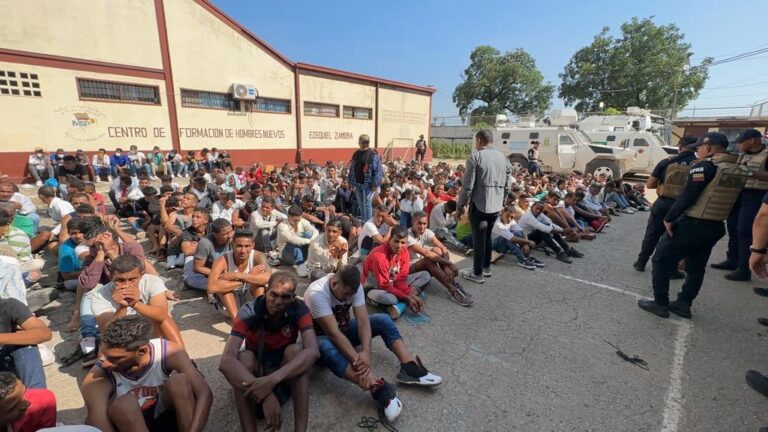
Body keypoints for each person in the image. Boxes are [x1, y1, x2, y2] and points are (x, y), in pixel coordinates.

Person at [304, 266, 442, 422]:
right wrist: (360, 362)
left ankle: (409, 367)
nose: (349, 297)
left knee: (382, 320)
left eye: (352, 294)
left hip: (343, 331)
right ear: (335, 284)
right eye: (346, 294)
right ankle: (376, 386)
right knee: (323, 345)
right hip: (321, 342)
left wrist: (366, 352)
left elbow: (363, 320)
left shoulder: (353, 287)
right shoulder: (317, 293)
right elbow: (333, 334)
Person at [638, 132, 746, 319]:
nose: (698, 151)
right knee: (696, 266)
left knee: (661, 259)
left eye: (700, 147)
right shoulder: (737, 169)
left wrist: (670, 218)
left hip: (694, 222)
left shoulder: (706, 166)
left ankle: (660, 303)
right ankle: (684, 303)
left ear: (709, 147)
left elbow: (688, 195)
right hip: (715, 225)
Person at [219, 272, 319, 432]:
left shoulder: (300, 309)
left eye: (285, 297)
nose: (278, 302)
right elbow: (226, 361)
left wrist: (272, 380)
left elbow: (313, 351)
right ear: (266, 291)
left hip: (281, 373)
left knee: (295, 352)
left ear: (294, 297)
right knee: (244, 358)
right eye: (274, 295)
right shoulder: (249, 311)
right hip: (255, 376)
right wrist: (266, 395)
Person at [80, 316, 212, 432]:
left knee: (180, 382)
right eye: (105, 355)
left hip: (164, 416)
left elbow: (204, 393)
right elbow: (100, 423)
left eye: (115, 358)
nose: (105, 363)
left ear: (142, 351)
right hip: (127, 424)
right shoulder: (97, 377)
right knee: (125, 405)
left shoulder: (167, 351)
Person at [633, 136, 698, 273]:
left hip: (663, 202)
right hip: (684, 207)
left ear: (680, 147)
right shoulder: (699, 165)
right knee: (676, 238)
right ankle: (671, 269)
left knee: (652, 234)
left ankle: (641, 262)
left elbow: (650, 185)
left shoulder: (667, 162)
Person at [87, 255, 183, 347]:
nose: (127, 285)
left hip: (150, 329)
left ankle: (181, 354)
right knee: (104, 347)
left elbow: (161, 315)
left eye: (132, 279)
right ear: (111, 276)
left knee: (165, 317)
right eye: (120, 280)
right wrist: (122, 308)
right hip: (122, 336)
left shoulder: (152, 282)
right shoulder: (99, 295)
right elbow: (106, 331)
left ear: (141, 275)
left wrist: (135, 304)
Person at [455, 129, 512, 284]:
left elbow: (467, 186)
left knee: (479, 238)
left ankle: (477, 273)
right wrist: (502, 202)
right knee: (487, 236)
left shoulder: (476, 157)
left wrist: (460, 207)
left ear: (479, 140)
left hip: (479, 205)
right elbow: (508, 185)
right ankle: (486, 268)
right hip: (496, 206)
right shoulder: (504, 158)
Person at [710, 129, 768, 282]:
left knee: (745, 231)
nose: (739, 146)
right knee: (734, 228)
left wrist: (750, 174)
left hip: (756, 195)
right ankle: (732, 260)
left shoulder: (766, 155)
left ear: (752, 140)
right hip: (739, 194)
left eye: (741, 142)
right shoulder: (743, 155)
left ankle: (744, 268)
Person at [362, 225, 431, 319]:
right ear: (390, 239)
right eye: (396, 241)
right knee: (391, 299)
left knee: (425, 275)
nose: (399, 246)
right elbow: (384, 285)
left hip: (393, 282)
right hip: (374, 286)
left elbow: (401, 280)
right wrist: (407, 298)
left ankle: (403, 301)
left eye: (403, 242)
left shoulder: (404, 252)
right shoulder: (380, 257)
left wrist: (411, 295)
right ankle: (395, 302)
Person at [407, 211, 472, 306]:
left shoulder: (426, 232)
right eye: (419, 223)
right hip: (408, 269)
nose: (422, 226)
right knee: (428, 259)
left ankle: (453, 284)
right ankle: (452, 290)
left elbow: (443, 249)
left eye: (424, 223)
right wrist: (450, 264)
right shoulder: (407, 236)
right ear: (413, 222)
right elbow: (426, 253)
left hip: (420, 264)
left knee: (438, 250)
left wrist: (446, 266)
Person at [207, 231, 271, 321]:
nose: (243, 251)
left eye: (247, 246)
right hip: (229, 305)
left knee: (259, 285)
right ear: (232, 244)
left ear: (253, 245)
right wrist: (247, 278)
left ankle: (260, 318)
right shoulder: (222, 260)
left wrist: (238, 275)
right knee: (224, 290)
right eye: (239, 246)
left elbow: (269, 279)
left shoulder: (258, 256)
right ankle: (237, 323)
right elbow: (211, 287)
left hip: (250, 298)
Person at [0, 298, 51, 389]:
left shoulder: (8, 305)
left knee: (25, 343)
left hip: (6, 363)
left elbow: (44, 333)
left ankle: (37, 397)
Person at [518, 201, 584, 263]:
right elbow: (543, 228)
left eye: (540, 210)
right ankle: (558, 252)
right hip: (523, 240)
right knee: (542, 231)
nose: (538, 211)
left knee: (550, 228)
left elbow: (550, 224)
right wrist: (563, 231)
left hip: (532, 238)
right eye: (537, 208)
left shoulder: (540, 215)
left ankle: (567, 249)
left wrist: (568, 231)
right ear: (532, 207)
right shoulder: (528, 216)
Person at [186, 218, 233, 291]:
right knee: (191, 280)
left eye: (231, 231)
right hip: (210, 274)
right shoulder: (205, 242)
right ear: (215, 235)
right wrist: (218, 275)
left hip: (231, 272)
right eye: (225, 234)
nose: (230, 235)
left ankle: (222, 286)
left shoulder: (234, 238)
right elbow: (198, 268)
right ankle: (223, 286)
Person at [276, 205, 319, 278]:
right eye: (295, 220)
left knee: (309, 233)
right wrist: (309, 241)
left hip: (300, 250)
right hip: (287, 255)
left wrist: (312, 239)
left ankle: (308, 260)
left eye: (299, 219)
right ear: (288, 216)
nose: (297, 222)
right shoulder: (282, 226)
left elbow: (315, 231)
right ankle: (301, 265)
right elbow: (292, 239)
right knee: (293, 241)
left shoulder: (301, 220)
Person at [348, 134, 383, 221]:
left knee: (367, 204)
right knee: (361, 204)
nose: (365, 144)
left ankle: (368, 222)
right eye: (363, 142)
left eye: (366, 142)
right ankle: (364, 221)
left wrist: (376, 183)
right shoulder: (356, 154)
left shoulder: (372, 155)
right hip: (358, 183)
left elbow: (378, 170)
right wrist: (350, 181)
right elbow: (352, 168)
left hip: (368, 184)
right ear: (359, 143)